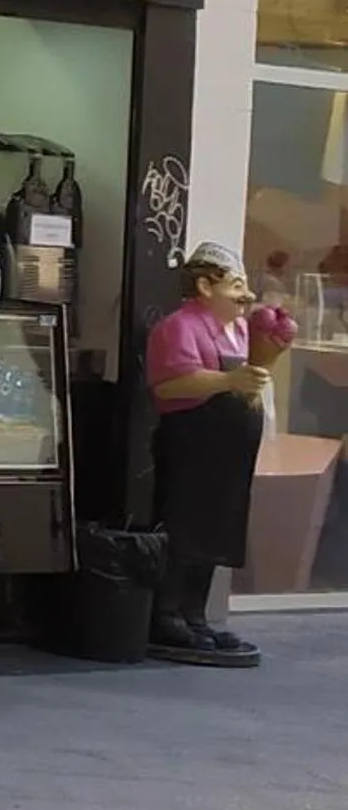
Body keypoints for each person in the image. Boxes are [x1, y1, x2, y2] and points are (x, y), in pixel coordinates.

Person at [146, 242, 269, 666]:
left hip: (229, 452)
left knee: (216, 530)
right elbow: (169, 386)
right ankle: (167, 615)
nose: (245, 295)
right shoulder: (178, 327)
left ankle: (195, 615)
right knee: (186, 527)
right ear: (203, 286)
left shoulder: (239, 330)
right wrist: (228, 381)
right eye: (235, 285)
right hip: (193, 444)